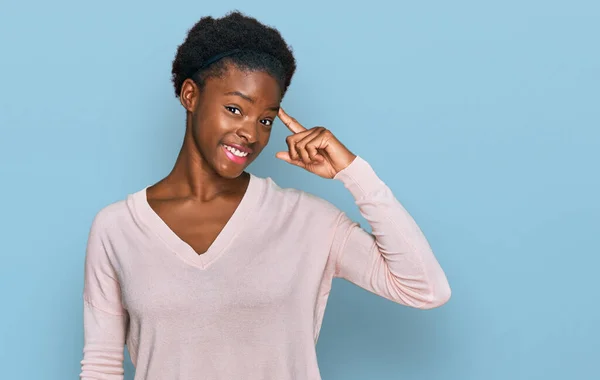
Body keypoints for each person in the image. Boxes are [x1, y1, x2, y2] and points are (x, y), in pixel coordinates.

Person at [80, 10, 451, 380]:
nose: (250, 134)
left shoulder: (307, 221)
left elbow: (424, 289)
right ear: (190, 95)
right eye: (234, 109)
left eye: (265, 120)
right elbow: (101, 366)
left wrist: (353, 173)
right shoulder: (117, 228)